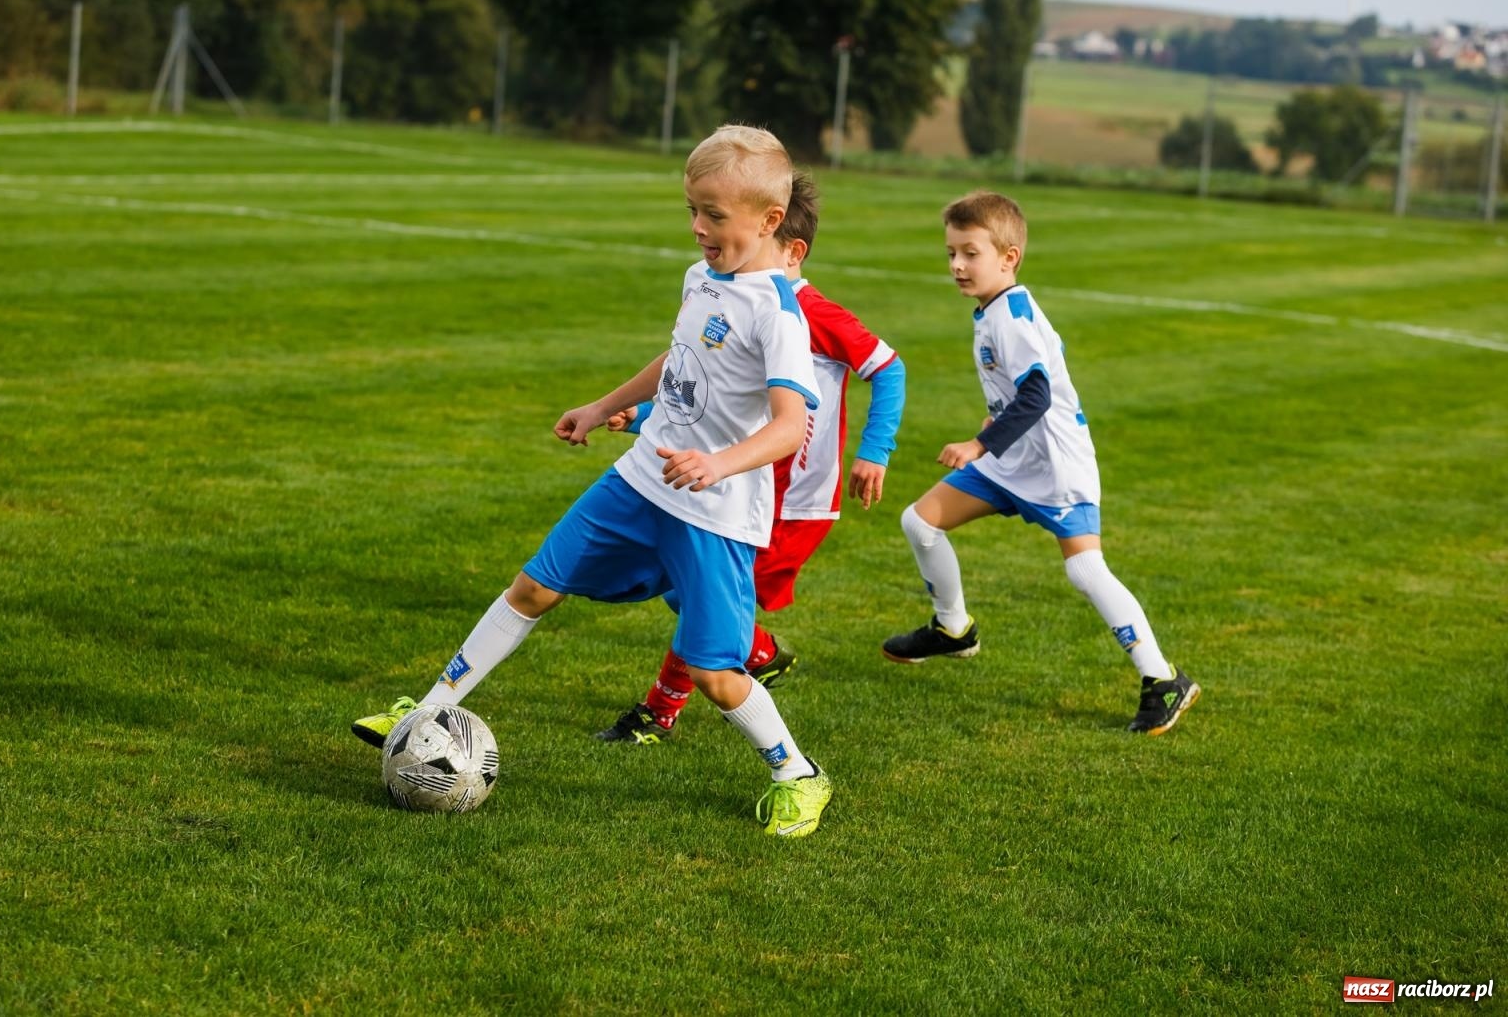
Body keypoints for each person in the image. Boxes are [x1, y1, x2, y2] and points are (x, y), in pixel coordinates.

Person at [353, 125, 835, 837]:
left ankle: (798, 774)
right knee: (534, 586)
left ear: (769, 221)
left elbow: (791, 426)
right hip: (639, 481)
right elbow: (677, 361)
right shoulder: (702, 278)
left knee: (714, 674)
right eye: (693, 211)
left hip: (714, 512)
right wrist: (607, 406)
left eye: (715, 215)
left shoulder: (780, 314)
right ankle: (426, 711)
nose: (699, 228)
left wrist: (717, 463)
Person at [594, 170, 905, 744]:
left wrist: (874, 451)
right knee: (685, 587)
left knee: (697, 595)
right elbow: (713, 392)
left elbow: (889, 369)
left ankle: (661, 712)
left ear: (791, 249)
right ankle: (757, 652)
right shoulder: (734, 298)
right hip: (736, 482)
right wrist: (639, 417)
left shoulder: (813, 314)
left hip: (795, 500)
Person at [881, 190, 1200, 735]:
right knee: (921, 520)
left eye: (970, 253)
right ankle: (954, 628)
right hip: (1013, 459)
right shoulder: (993, 310)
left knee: (1084, 568)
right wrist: (992, 427)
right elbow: (1015, 397)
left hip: (1055, 467)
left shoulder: (1012, 317)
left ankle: (1162, 679)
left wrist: (978, 444)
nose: (957, 265)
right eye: (951, 253)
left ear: (1009, 258)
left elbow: (1037, 396)